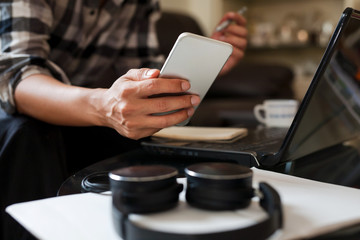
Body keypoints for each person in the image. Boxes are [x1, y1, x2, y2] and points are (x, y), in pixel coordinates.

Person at [0, 0, 247, 239]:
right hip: (17, 106)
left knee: (149, 130)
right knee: (27, 131)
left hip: (82, 106)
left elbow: (139, 68)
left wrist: (201, 65)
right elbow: (16, 77)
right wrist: (104, 105)